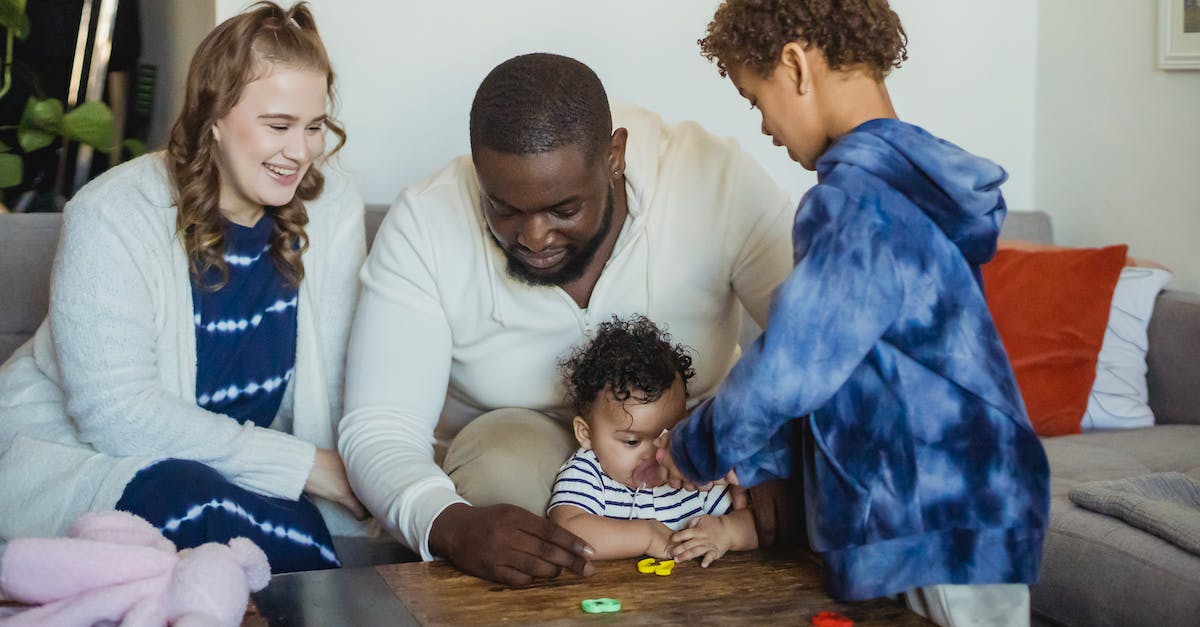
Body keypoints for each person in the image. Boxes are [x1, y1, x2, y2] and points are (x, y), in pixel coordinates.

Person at [655, 1, 1050, 625]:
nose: (763, 126)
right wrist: (757, 461)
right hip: (961, 501)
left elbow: (793, 364)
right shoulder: (906, 188)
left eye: (756, 100)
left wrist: (696, 446)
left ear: (795, 66)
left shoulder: (856, 205)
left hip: (934, 512)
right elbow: (845, 370)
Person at [340, 53, 795, 585]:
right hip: (517, 453)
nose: (533, 238)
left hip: (689, 436)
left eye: (563, 210)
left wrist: (778, 458)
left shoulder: (712, 181)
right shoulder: (425, 222)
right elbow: (379, 426)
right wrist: (449, 523)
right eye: (504, 209)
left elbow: (823, 341)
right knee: (498, 469)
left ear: (614, 157)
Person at [0, 2, 371, 574]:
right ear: (214, 117)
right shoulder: (112, 213)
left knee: (246, 516)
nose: (300, 152)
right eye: (278, 126)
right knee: (192, 501)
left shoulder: (333, 203)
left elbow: (343, 371)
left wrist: (366, 469)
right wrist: (302, 466)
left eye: (314, 127)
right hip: (95, 458)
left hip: (245, 471)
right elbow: (117, 414)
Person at [548, 315, 757, 566]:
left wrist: (727, 530)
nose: (654, 454)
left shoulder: (689, 469)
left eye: (667, 435)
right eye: (632, 442)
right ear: (586, 434)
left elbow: (762, 521)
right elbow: (567, 530)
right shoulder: (588, 472)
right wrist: (646, 536)